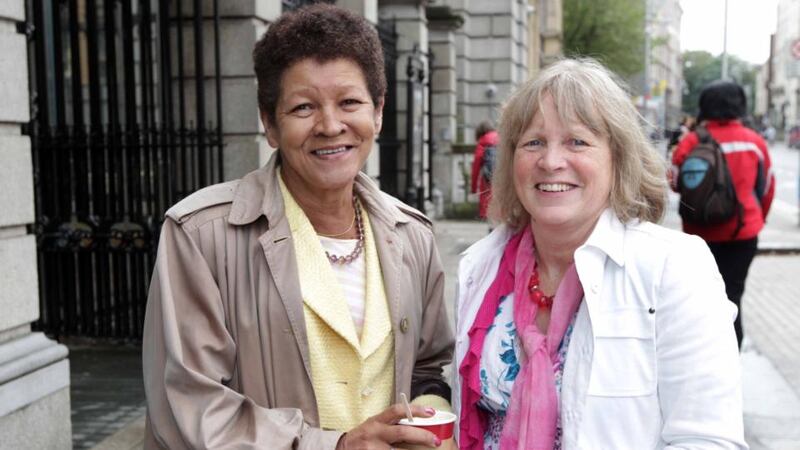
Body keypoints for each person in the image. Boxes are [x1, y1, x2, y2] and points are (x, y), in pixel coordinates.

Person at [142, 5, 454, 449]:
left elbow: (428, 367)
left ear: (378, 112)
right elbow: (188, 405)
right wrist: (336, 445)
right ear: (270, 124)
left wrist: (431, 415)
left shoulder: (412, 235)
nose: (330, 126)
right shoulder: (200, 235)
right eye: (303, 107)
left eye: (350, 102)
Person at [452, 59, 747, 449]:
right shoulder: (480, 266)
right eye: (533, 142)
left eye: (577, 141)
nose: (551, 161)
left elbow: (707, 439)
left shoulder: (674, 269)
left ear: (617, 158)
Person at [672, 80, 774, 349]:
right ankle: (731, 353)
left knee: (700, 298)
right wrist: (757, 219)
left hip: (699, 234)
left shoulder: (692, 141)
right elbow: (766, 188)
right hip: (744, 233)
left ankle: (701, 351)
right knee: (733, 295)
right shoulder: (754, 143)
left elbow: (673, 180)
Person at [470, 121, 499, 219]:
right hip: (503, 179)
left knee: (489, 207)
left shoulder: (482, 143)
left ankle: (492, 229)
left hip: (488, 182)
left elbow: (475, 169)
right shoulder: (502, 140)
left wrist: (473, 188)